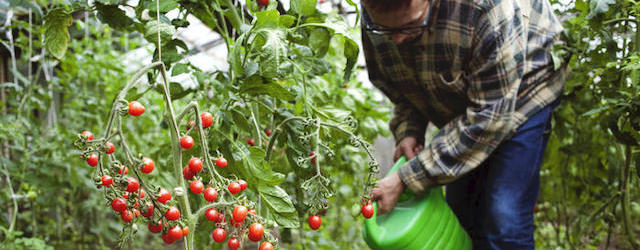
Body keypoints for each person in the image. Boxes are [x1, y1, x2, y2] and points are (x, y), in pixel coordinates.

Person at [363, 0, 569, 249]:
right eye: (386, 30)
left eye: (409, 27)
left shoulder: (485, 9)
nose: (396, 40)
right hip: (466, 103)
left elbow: (488, 119)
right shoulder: (377, 14)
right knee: (463, 213)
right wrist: (409, 129)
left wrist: (406, 178)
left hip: (525, 90)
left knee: (504, 216)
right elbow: (398, 83)